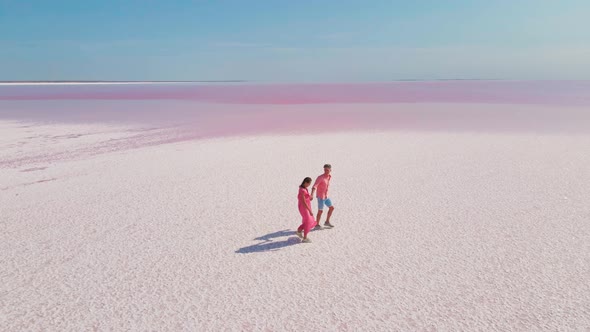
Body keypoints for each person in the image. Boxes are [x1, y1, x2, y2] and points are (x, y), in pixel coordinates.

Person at [311, 164, 335, 229]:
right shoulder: (320, 177)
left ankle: (327, 222)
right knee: (320, 211)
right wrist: (312, 195)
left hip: (326, 196)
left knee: (332, 208)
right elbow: (314, 186)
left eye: (327, 170)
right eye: (325, 170)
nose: (326, 171)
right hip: (320, 197)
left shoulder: (329, 176)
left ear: (330, 170)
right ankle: (317, 224)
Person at [296, 177, 317, 243]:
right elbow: (303, 201)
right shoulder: (302, 190)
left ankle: (299, 231)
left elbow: (306, 198)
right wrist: (309, 210)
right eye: (309, 183)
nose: (309, 185)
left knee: (308, 220)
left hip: (306, 207)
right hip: (304, 207)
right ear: (305, 182)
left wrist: (310, 197)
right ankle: (305, 238)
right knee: (308, 221)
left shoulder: (304, 188)